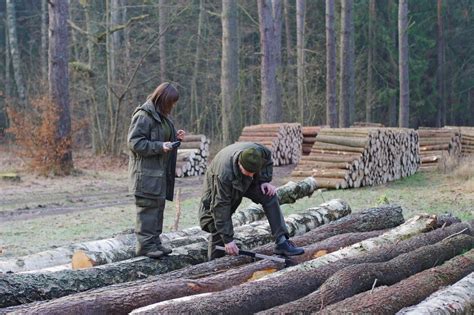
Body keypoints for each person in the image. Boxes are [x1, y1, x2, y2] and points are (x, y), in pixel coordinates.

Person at [199, 142, 304, 260]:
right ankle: (213, 265)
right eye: (247, 172)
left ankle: (282, 242)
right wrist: (228, 240)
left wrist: (264, 180)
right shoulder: (224, 175)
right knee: (215, 221)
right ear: (239, 163)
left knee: (269, 195)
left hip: (243, 178)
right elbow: (220, 207)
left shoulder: (260, 152)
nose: (250, 175)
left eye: (253, 172)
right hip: (222, 180)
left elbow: (268, 158)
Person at [127, 82, 185, 258]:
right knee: (147, 210)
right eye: (172, 102)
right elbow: (134, 143)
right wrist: (160, 146)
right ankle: (145, 246)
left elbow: (161, 137)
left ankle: (155, 242)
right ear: (164, 99)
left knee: (158, 207)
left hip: (159, 174)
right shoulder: (144, 116)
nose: (173, 106)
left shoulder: (162, 116)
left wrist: (174, 138)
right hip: (145, 175)